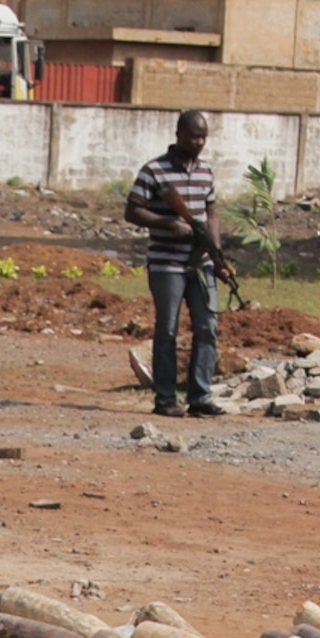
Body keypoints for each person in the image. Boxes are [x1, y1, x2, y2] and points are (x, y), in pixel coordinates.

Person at [125, 110, 228, 417]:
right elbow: (132, 211)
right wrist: (170, 224)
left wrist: (217, 254)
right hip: (166, 263)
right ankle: (166, 399)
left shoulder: (206, 172)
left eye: (203, 137)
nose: (198, 142)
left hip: (201, 264)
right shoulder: (154, 170)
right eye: (193, 136)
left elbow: (212, 215)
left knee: (208, 326)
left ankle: (200, 397)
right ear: (178, 134)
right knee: (167, 330)